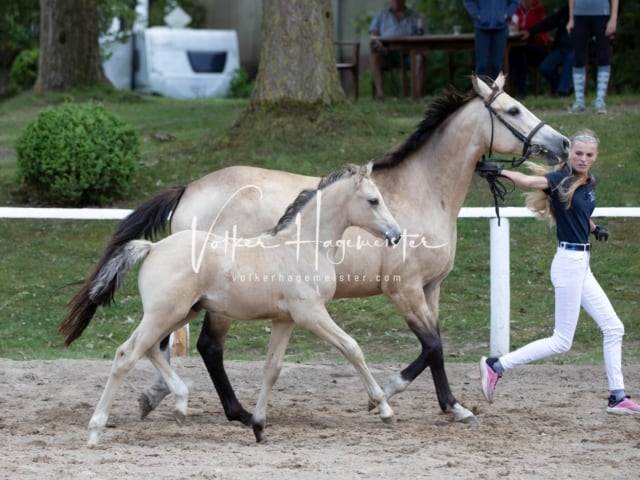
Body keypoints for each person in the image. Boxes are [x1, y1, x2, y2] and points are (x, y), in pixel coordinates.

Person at [477, 129, 640, 415]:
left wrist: (593, 228)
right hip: (568, 264)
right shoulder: (558, 179)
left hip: (582, 264)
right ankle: (496, 365)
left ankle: (617, 397)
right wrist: (499, 171)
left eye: (589, 155)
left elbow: (579, 212)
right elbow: (528, 180)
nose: (583, 158)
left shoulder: (589, 181)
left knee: (614, 328)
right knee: (562, 341)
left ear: (595, 157)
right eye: (578, 153)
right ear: (570, 153)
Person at [567, 0, 619, 114]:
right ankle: (579, 101)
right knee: (578, 57)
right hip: (579, 15)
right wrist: (571, 18)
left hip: (602, 14)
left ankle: (600, 100)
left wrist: (613, 18)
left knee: (603, 55)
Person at [369, 0, 426, 99]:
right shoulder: (381, 15)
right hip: (387, 53)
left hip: (409, 53)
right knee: (374, 57)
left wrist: (416, 46)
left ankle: (416, 95)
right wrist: (379, 44)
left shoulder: (415, 16)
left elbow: (423, 35)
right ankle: (381, 95)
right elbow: (373, 35)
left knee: (420, 58)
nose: (395, 1)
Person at [522, 5, 574, 97]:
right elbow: (549, 22)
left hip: (578, 48)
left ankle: (562, 91)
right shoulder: (566, 11)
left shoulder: (587, 12)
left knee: (570, 59)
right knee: (545, 67)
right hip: (561, 48)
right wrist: (531, 31)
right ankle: (561, 87)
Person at [464, 0, 520, 80]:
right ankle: (480, 91)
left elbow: (515, 2)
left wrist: (506, 14)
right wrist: (477, 15)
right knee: (482, 64)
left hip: (500, 28)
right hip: (481, 28)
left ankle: (495, 91)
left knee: (496, 65)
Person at [508, 0, 549, 98]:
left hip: (538, 46)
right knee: (517, 54)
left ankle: (515, 90)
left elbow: (537, 28)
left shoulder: (538, 9)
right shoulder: (515, 9)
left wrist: (526, 31)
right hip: (520, 47)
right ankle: (519, 91)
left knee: (516, 53)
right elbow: (509, 24)